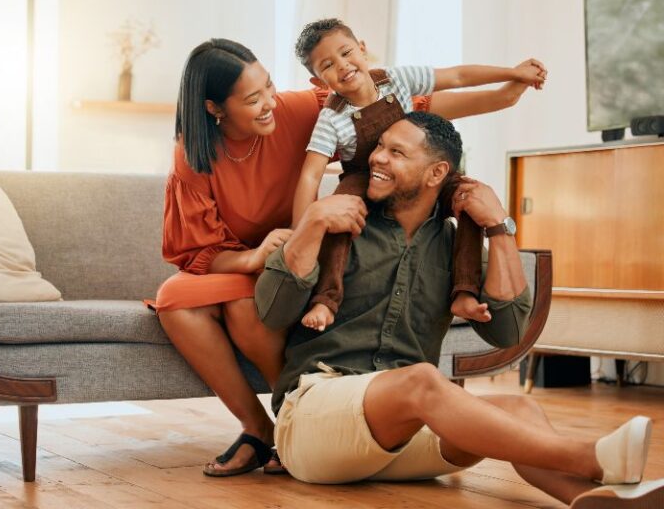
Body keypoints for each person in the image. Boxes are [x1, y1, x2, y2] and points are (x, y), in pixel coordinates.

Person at [151, 37, 544, 478]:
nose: (268, 104)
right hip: (266, 255)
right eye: (252, 99)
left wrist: (506, 92)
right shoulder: (194, 156)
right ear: (214, 109)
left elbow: (397, 106)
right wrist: (264, 252)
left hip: (304, 250)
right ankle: (263, 426)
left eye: (269, 87)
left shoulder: (299, 110)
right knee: (176, 300)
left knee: (246, 306)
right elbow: (197, 251)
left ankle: (291, 422)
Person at [255, 111, 663, 508]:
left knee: (520, 408)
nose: (378, 158)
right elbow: (272, 312)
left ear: (436, 173)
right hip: (315, 420)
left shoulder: (457, 247)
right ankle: (590, 457)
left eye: (397, 153)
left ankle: (596, 500)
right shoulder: (339, 222)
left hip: (404, 436)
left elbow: (506, 334)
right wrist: (311, 224)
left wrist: (499, 228)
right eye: (380, 147)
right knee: (424, 381)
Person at [290, 18, 546, 333]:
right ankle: (325, 299)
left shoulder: (396, 79)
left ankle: (464, 292)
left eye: (346, 53)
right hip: (364, 174)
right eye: (328, 65)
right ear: (319, 82)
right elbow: (309, 177)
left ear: (362, 49)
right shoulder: (332, 118)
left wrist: (513, 73)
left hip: (417, 163)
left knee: (469, 197)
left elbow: (458, 76)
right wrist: (301, 231)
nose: (342, 66)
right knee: (339, 216)